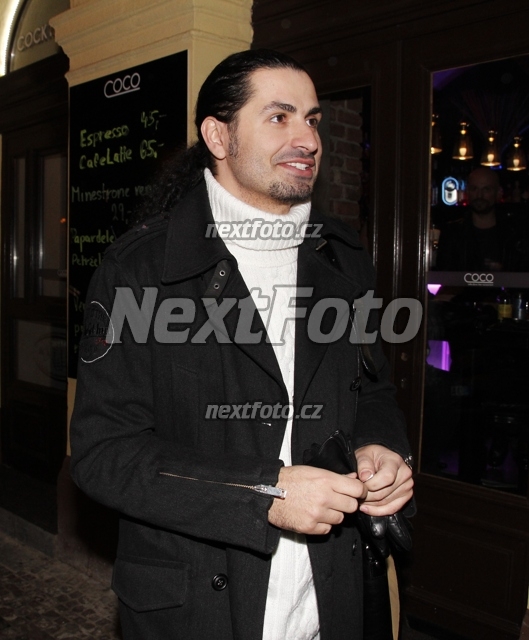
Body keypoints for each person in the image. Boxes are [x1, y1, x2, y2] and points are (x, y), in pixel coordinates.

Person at [70, 49, 414, 640]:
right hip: (198, 605)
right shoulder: (141, 268)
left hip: (330, 596)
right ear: (218, 136)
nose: (307, 139)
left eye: (312, 119)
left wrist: (381, 446)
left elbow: (372, 387)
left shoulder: (342, 256)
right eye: (279, 117)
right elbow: (105, 454)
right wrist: (264, 493)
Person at [436, 167, 528, 271]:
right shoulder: (451, 233)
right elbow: (444, 275)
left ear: (498, 193)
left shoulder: (516, 233)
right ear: (467, 192)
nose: (479, 195)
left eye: (486, 189)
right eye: (474, 189)